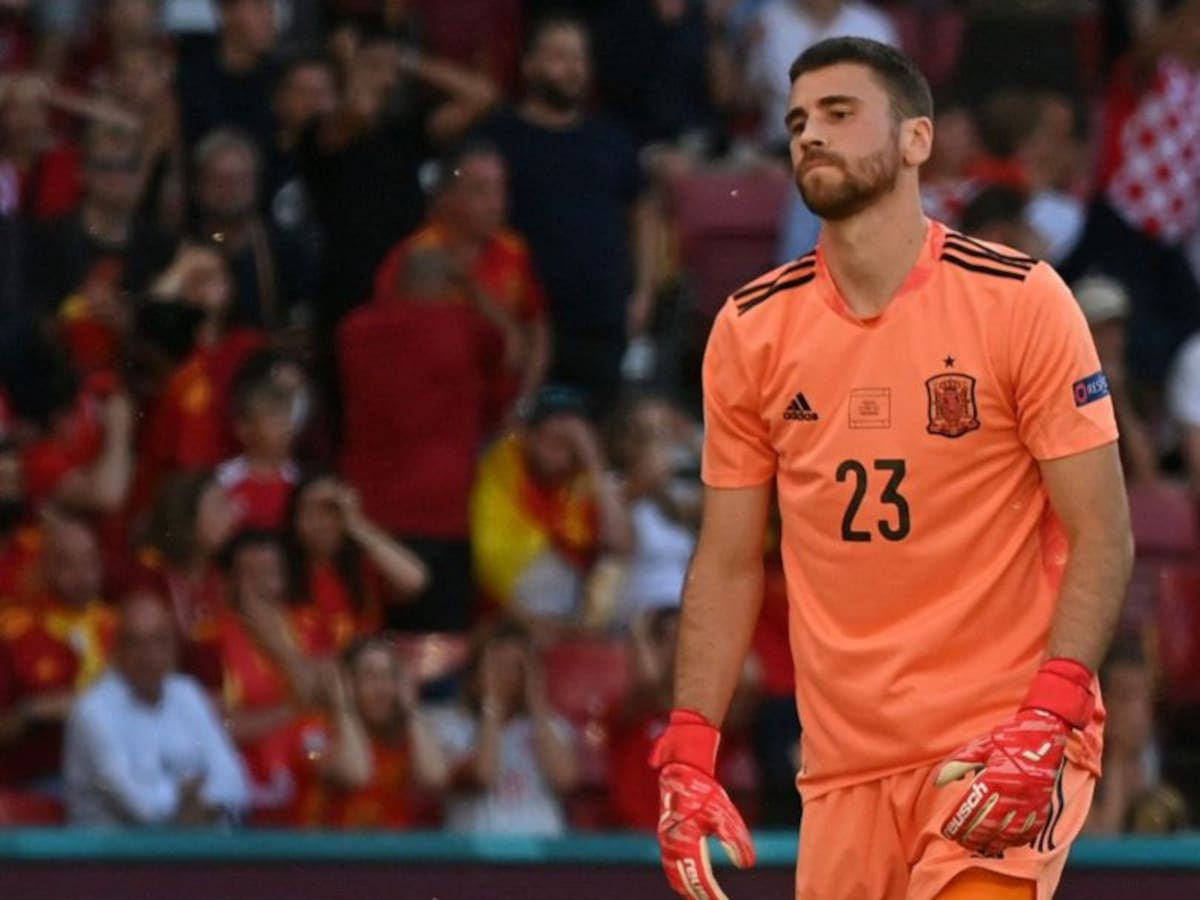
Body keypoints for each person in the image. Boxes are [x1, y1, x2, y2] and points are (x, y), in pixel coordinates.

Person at [651, 37, 1133, 900]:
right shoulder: (751, 330)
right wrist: (689, 746)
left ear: (918, 139)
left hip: (1001, 735)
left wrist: (1049, 715)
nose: (810, 134)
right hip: (844, 765)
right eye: (798, 120)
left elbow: (1104, 532)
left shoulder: (1019, 300)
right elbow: (727, 561)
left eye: (839, 113)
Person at [477, 14, 658, 412]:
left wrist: (644, 292)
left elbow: (644, 215)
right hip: (527, 325)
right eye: (559, 56)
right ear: (529, 65)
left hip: (602, 323)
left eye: (579, 57)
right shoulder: (500, 137)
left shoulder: (613, 140)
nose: (573, 68)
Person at [338, 245, 509, 632]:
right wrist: (475, 287)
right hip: (443, 514)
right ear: (450, 286)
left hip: (371, 515)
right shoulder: (464, 329)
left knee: (374, 636)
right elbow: (511, 345)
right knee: (439, 645)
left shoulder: (354, 331)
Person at [372, 142, 550, 414]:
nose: (495, 204)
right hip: (435, 411)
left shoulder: (514, 251)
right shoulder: (415, 257)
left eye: (500, 190)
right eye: (480, 191)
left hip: (505, 414)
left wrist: (523, 405)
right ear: (446, 197)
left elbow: (537, 331)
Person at [63, 592, 249, 826]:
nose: (149, 655)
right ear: (115, 650)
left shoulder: (188, 694)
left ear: (174, 648)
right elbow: (138, 806)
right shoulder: (93, 711)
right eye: (135, 643)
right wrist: (188, 797)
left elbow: (235, 782)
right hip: (115, 847)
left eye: (159, 641)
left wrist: (198, 801)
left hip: (191, 842)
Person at [470, 385, 633, 635]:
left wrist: (594, 462)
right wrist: (532, 624)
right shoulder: (500, 470)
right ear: (528, 435)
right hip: (502, 626)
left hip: (564, 626)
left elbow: (619, 545)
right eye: (556, 442)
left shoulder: (580, 483)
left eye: (574, 448)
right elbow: (485, 568)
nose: (564, 458)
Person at [430, 618, 578, 835]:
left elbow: (565, 779)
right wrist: (492, 707)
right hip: (474, 845)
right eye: (496, 665)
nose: (504, 675)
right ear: (474, 674)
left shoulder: (552, 725)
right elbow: (483, 775)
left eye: (516, 667)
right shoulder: (450, 726)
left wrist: (537, 704)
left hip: (540, 845)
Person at [0, 513, 116, 786]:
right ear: (44, 567)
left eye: (90, 561)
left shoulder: (122, 629)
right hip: (45, 777)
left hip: (119, 771)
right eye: (67, 564)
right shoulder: (13, 633)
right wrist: (31, 713)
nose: (82, 575)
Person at [285, 636, 450, 828]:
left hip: (390, 847)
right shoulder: (312, 730)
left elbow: (435, 778)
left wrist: (410, 709)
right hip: (326, 846)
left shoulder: (408, 734)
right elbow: (354, 774)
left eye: (389, 675)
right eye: (369, 675)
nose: (381, 687)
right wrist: (343, 706)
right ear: (345, 683)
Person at [283, 473, 428, 652]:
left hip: (361, 666)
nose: (322, 522)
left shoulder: (365, 565)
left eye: (332, 511)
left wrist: (357, 524)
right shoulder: (278, 569)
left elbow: (414, 582)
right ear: (295, 519)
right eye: (312, 511)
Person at [191, 129, 314, 332]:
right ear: (199, 184)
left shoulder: (285, 247)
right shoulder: (183, 243)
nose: (229, 190)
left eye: (239, 180)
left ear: (256, 183)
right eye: (218, 180)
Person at [216, 375, 299, 532]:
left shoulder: (300, 479)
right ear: (244, 429)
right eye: (273, 418)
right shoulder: (223, 481)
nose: (284, 427)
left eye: (286, 417)